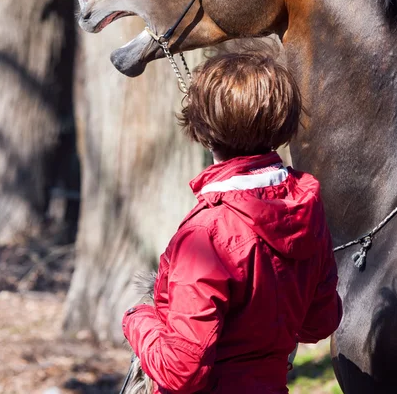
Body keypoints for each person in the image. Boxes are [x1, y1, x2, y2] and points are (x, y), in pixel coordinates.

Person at [122, 48, 342, 394]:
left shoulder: (205, 235)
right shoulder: (306, 213)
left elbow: (181, 372)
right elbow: (320, 322)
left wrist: (137, 319)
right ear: (283, 126)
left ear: (202, 130)